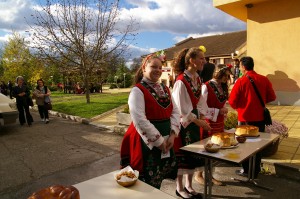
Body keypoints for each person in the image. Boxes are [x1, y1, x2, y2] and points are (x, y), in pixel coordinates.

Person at [120, 52, 180, 189]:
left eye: (160, 68)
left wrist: (172, 135)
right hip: (145, 141)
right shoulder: (138, 90)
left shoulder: (165, 89)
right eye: (154, 67)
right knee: (144, 183)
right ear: (144, 69)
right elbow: (139, 119)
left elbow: (175, 111)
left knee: (158, 180)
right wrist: (159, 141)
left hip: (166, 139)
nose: (158, 71)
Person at [172, 46, 211, 199]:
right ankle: (179, 188)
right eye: (201, 58)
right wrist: (198, 121)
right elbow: (180, 108)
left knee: (193, 154)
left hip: (194, 120)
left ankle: (189, 186)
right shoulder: (181, 81)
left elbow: (201, 101)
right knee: (183, 155)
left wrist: (203, 115)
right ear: (191, 60)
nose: (204, 61)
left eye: (204, 58)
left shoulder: (198, 78)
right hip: (184, 123)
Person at [228, 56, 276, 178]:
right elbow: (272, 97)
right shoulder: (264, 79)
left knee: (244, 145)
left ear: (243, 67)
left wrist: (241, 107)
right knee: (257, 144)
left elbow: (232, 101)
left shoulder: (241, 81)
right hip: (260, 118)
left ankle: (246, 170)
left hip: (244, 119)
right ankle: (255, 171)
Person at [197, 64, 232, 186]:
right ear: (218, 73)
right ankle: (199, 175)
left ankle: (210, 175)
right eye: (225, 75)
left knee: (216, 148)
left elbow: (221, 102)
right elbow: (201, 107)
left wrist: (224, 108)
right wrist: (218, 111)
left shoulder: (222, 86)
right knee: (206, 149)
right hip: (209, 122)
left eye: (228, 76)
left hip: (219, 122)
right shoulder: (206, 87)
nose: (227, 78)